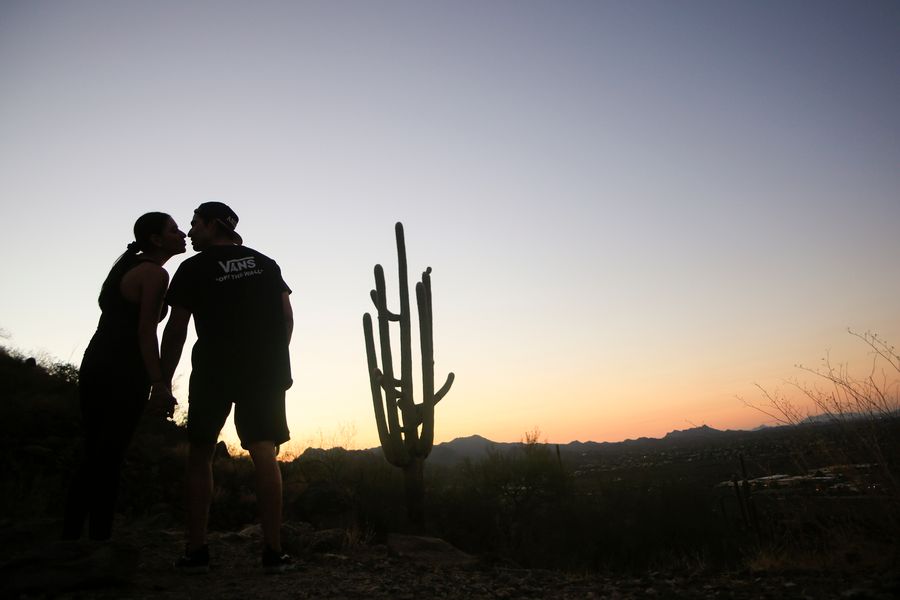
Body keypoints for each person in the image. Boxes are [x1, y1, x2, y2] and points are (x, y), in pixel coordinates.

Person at [160, 202, 294, 573]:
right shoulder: (266, 263)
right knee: (265, 452)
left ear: (213, 225)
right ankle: (273, 551)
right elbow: (286, 317)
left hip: (214, 369)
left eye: (194, 224)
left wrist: (161, 380)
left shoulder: (192, 268)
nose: (189, 232)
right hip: (264, 370)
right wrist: (272, 358)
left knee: (201, 452)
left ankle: (197, 550)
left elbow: (176, 329)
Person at [63, 212, 185, 540]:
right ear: (157, 239)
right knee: (111, 453)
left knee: (95, 449)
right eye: (174, 230)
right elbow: (146, 331)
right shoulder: (154, 274)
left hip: (96, 360)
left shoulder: (127, 265)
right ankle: (98, 538)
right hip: (124, 368)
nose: (183, 233)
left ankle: (73, 532)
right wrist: (159, 382)